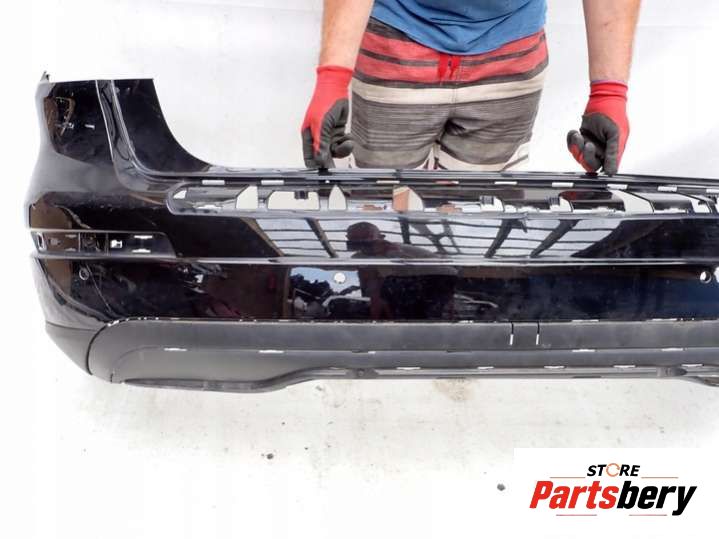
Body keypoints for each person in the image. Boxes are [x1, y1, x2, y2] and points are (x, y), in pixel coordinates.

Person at [301, 0, 640, 175]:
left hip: (510, 51)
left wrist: (609, 92)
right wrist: (332, 76)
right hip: (397, 42)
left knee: (472, 220)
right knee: (380, 211)